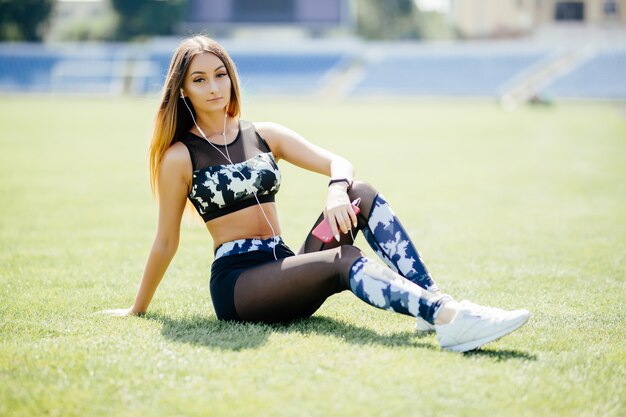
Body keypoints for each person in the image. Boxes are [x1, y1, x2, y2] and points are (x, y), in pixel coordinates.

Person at [102, 36, 530, 353]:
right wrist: (137, 309)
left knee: (359, 192)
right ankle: (450, 320)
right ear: (183, 90)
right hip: (240, 287)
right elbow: (165, 241)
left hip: (285, 264)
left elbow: (339, 163)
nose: (214, 87)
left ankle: (432, 301)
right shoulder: (179, 156)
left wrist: (336, 192)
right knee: (343, 260)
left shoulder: (262, 134)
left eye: (220, 76)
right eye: (200, 80)